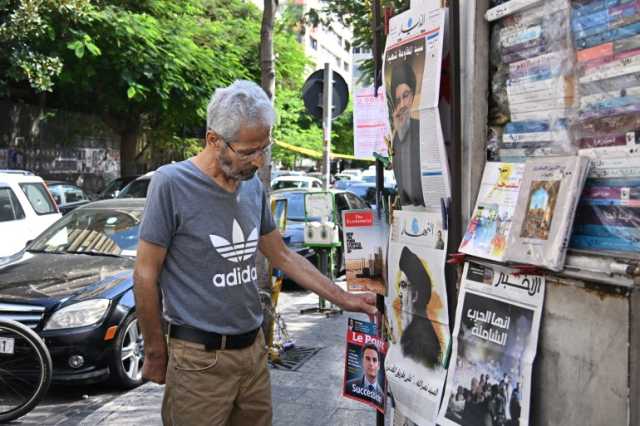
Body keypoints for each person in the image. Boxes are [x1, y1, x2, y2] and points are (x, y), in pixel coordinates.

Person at [134, 80, 377, 426]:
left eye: (264, 148)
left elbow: (283, 255)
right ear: (213, 140)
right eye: (248, 152)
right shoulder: (171, 183)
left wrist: (344, 298)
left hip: (252, 352)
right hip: (199, 360)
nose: (258, 160)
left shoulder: (252, 188)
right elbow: (145, 273)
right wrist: (155, 351)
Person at [389, 61, 424, 207]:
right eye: (398, 99)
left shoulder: (421, 127)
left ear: (413, 94)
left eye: (406, 95)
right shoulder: (397, 135)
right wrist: (398, 130)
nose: (402, 104)